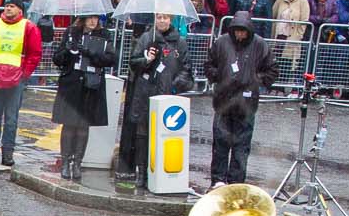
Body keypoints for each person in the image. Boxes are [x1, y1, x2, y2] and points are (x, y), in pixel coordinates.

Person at [116, 13, 191, 186]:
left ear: (170, 20)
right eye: (159, 17)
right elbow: (133, 62)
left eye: (165, 17)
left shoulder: (179, 42)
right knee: (142, 134)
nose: (162, 21)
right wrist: (146, 60)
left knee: (163, 136)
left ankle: (157, 171)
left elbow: (186, 69)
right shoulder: (146, 38)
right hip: (145, 93)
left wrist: (175, 85)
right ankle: (142, 171)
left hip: (167, 97)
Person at [203, 11, 276, 186]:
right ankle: (218, 180)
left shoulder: (260, 45)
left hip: (246, 104)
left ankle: (236, 181)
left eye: (243, 31)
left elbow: (272, 70)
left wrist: (256, 80)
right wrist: (218, 75)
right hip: (223, 101)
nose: (240, 34)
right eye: (237, 31)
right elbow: (209, 64)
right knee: (220, 142)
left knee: (241, 146)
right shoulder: (222, 43)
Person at [0, 0, 42, 167]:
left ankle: (7, 153)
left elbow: (34, 54)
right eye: (6, 5)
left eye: (12, 6)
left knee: (11, 119)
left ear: (20, 9)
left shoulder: (29, 27)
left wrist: (24, 74)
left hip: (15, 80)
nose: (8, 9)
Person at [51, 13, 115, 181]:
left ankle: (77, 163)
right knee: (69, 124)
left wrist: (89, 52)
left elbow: (111, 59)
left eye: (97, 18)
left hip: (91, 85)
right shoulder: (71, 32)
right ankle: (65, 162)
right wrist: (68, 50)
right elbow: (57, 59)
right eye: (91, 18)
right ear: (84, 18)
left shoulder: (104, 35)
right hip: (71, 84)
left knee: (83, 126)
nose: (94, 21)